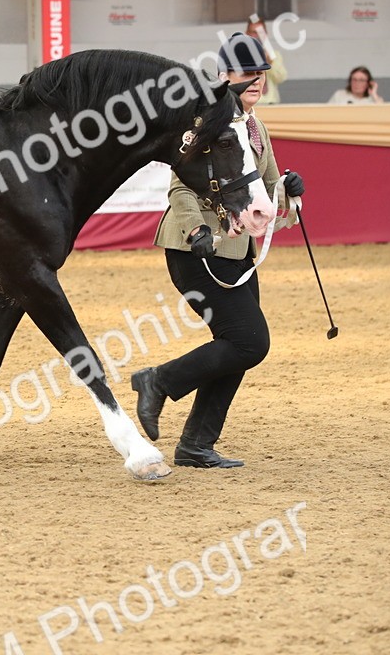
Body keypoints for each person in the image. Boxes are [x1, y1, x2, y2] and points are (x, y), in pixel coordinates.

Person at [131, 32, 305, 469]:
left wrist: (289, 191)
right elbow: (179, 186)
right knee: (250, 342)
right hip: (195, 250)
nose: (256, 80)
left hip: (238, 253)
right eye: (247, 73)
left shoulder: (256, 128)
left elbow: (265, 195)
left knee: (237, 346)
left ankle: (195, 444)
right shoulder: (205, 120)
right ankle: (158, 381)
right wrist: (196, 232)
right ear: (224, 75)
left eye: (261, 73)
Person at [246, 17, 287, 104]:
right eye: (254, 32)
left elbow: (281, 78)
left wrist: (270, 63)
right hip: (251, 106)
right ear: (247, 34)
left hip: (272, 105)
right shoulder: (240, 57)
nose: (257, 36)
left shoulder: (274, 55)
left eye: (261, 32)